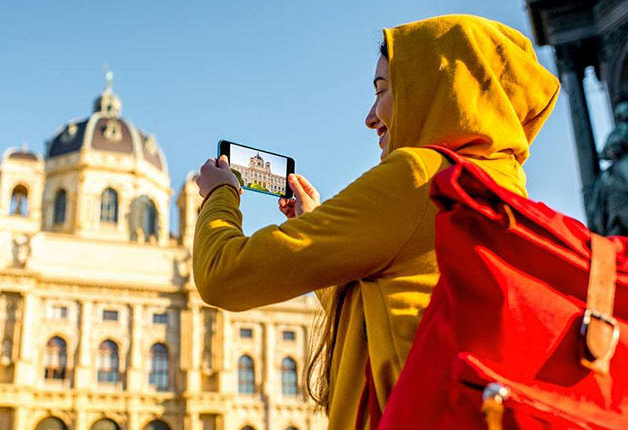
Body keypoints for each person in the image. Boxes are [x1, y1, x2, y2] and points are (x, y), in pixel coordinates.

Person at [193, 14, 559, 428]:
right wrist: (316, 228)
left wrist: (220, 194)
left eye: (383, 91)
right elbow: (387, 314)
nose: (370, 116)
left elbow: (222, 274)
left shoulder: (420, 175)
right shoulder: (503, 189)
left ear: (434, 89)